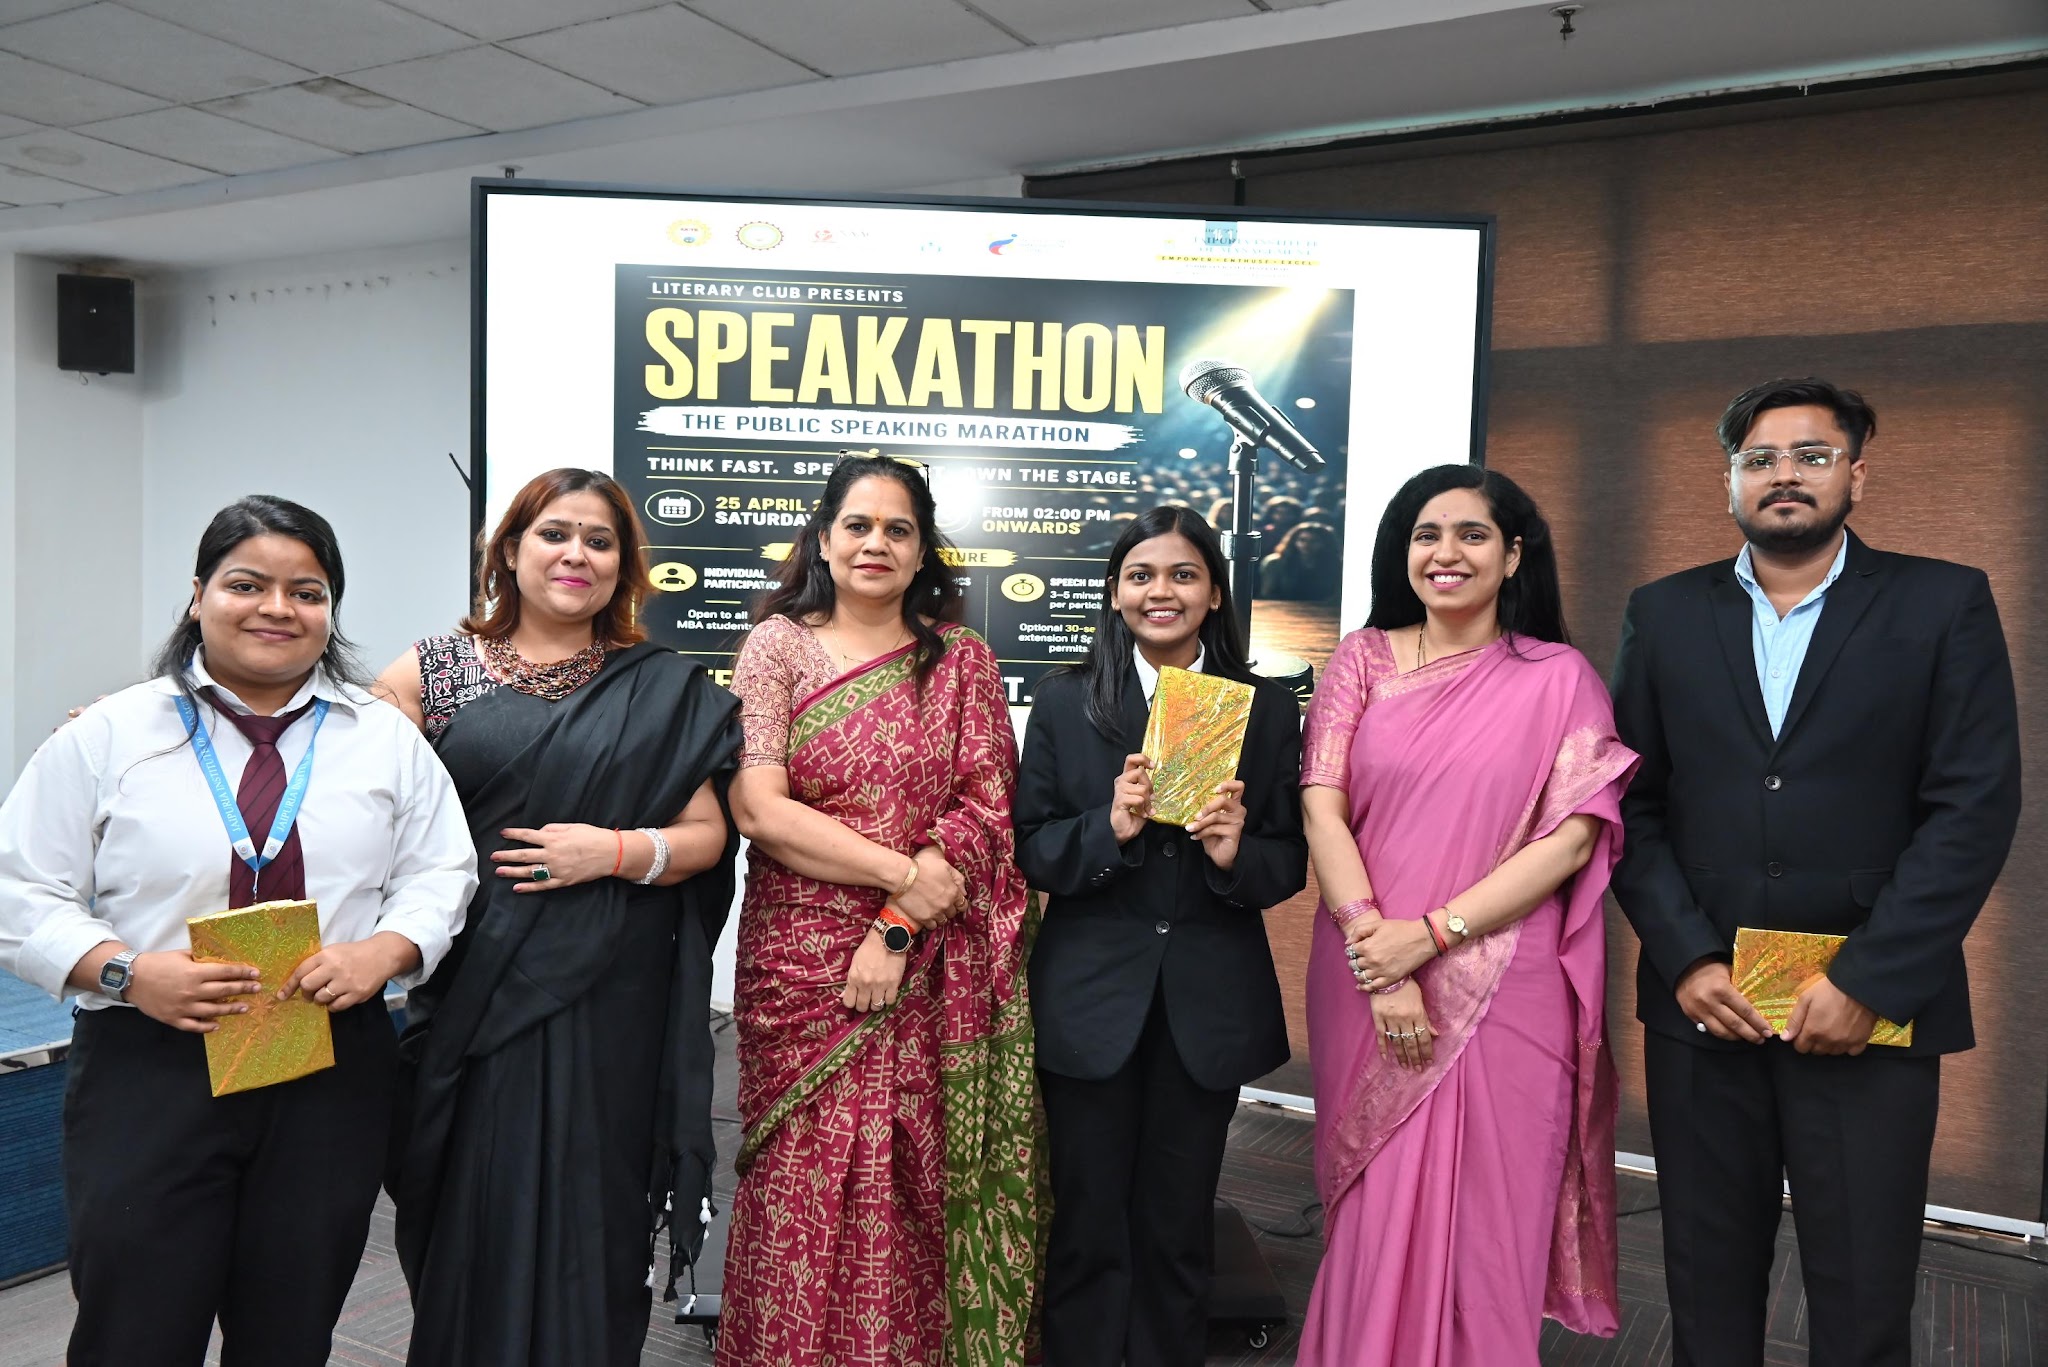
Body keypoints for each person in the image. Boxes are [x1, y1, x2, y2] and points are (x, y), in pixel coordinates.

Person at [0, 496, 476, 1367]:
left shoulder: (384, 739)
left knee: (290, 1326)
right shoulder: (111, 733)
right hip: (153, 1057)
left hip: (329, 1056)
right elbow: (21, 889)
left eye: (307, 591)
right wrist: (125, 971)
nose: (277, 608)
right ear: (198, 595)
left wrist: (384, 951)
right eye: (247, 584)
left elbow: (444, 870)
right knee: (135, 1326)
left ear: (330, 610)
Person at [1610, 378, 2020, 1367]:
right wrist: (1685, 958)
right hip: (1705, 1007)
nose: (1783, 474)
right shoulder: (1662, 612)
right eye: (1759, 459)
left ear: (1856, 475)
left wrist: (1865, 980)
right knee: (1704, 1283)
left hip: (1867, 1012)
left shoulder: (1942, 600)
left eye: (1811, 454)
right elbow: (1628, 800)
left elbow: (1971, 807)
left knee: (1862, 1289)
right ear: (1730, 480)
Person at [376, 468, 741, 1367]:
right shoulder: (433, 670)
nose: (577, 553)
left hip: (610, 997)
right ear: (510, 550)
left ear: (623, 566)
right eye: (554, 533)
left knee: (595, 1210)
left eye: (600, 540)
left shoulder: (662, 687)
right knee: (468, 1200)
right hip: (474, 989)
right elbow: (349, 796)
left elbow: (705, 836)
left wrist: (609, 851)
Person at [1296, 465, 1637, 1366]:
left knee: (1493, 1208)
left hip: (1507, 977)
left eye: (1472, 534)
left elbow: (1572, 839)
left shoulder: (1560, 677)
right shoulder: (1362, 659)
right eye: (1426, 534)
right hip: (1364, 963)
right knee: (1376, 1203)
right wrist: (1380, 952)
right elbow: (1322, 806)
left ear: (1514, 554)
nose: (1445, 553)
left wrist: (1431, 934)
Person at [718, 455, 1039, 1367]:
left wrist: (896, 923)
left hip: (925, 960)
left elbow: (986, 806)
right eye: (857, 525)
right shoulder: (777, 646)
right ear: (823, 539)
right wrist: (903, 873)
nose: (876, 543)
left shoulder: (962, 659)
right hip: (801, 961)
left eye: (899, 529)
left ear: (922, 550)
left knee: (916, 1177)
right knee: (800, 1177)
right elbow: (759, 808)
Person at [1016, 505, 1306, 1367]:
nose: (1161, 591)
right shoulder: (1065, 701)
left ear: (1214, 592)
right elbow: (1030, 845)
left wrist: (1234, 853)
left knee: (1179, 1226)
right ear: (1115, 593)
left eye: (1184, 574)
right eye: (1141, 575)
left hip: (1205, 1003)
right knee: (1086, 1220)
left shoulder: (1266, 709)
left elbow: (1289, 860)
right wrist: (1107, 828)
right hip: (1089, 1001)